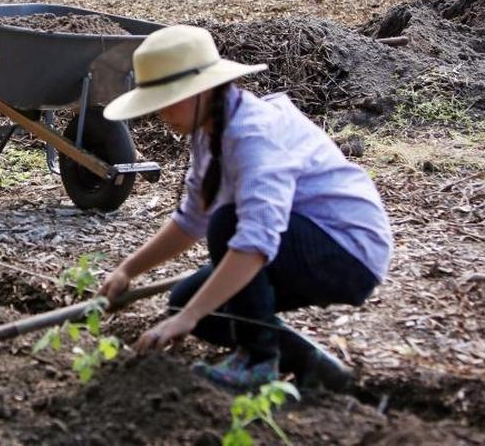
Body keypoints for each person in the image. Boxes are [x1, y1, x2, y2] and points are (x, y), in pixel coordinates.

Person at [98, 25, 392, 389]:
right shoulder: (211, 130)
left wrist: (186, 319)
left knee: (227, 226)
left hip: (346, 251)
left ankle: (258, 360)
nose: (162, 114)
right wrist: (129, 270)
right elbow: (191, 221)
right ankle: (314, 366)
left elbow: (254, 239)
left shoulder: (253, 134)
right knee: (188, 301)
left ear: (203, 89)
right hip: (302, 242)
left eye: (169, 99)